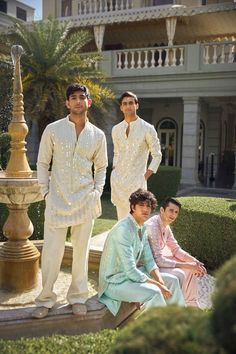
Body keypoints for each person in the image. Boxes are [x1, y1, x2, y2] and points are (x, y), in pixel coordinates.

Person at [32, 83, 108, 319]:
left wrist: (97, 190)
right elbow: (43, 163)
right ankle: (45, 299)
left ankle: (77, 297)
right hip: (57, 200)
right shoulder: (53, 130)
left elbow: (102, 166)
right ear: (67, 103)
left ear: (88, 102)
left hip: (85, 200)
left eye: (81, 97)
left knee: (81, 252)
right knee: (52, 252)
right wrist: (45, 192)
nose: (77, 101)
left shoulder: (98, 135)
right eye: (73, 98)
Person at [98, 189, 185, 316]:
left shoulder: (142, 227)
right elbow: (131, 271)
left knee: (172, 280)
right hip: (115, 282)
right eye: (141, 205)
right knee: (155, 292)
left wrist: (160, 281)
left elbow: (149, 261)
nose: (146, 209)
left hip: (130, 278)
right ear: (133, 207)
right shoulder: (123, 230)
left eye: (148, 206)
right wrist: (158, 286)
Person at [145, 197, 207, 307]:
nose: (173, 214)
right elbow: (158, 260)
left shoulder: (165, 226)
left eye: (176, 212)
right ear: (162, 210)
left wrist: (195, 262)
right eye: (171, 210)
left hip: (158, 263)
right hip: (148, 267)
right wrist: (187, 265)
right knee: (181, 273)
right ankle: (176, 306)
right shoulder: (153, 226)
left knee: (191, 270)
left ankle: (191, 305)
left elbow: (176, 249)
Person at [111, 91, 162, 220]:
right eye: (125, 104)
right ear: (121, 107)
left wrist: (144, 177)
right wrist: (114, 170)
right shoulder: (116, 129)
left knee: (137, 222)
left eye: (131, 103)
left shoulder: (147, 128)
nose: (128, 106)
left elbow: (157, 155)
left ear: (136, 105)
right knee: (121, 222)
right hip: (119, 183)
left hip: (137, 184)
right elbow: (116, 153)